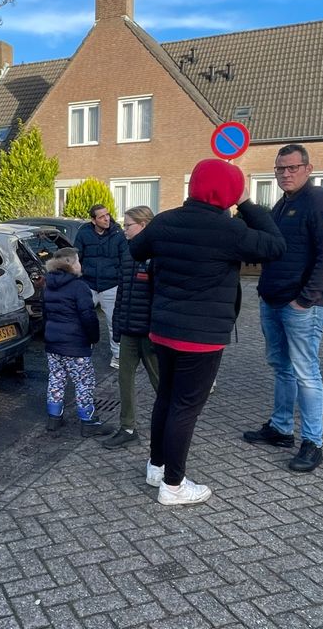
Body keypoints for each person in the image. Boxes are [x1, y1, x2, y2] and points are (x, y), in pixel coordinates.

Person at [131, 159, 284, 505]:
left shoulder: (165, 221)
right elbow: (276, 246)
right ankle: (173, 486)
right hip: (201, 336)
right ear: (229, 191)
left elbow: (136, 250)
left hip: (164, 328)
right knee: (185, 407)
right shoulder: (231, 231)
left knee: (166, 398)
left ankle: (157, 466)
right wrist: (246, 203)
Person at [244, 144, 323, 473]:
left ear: (308, 169)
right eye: (280, 168)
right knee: (282, 367)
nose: (285, 174)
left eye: (292, 168)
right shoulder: (282, 204)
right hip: (273, 300)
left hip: (303, 305)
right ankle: (281, 428)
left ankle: (313, 443)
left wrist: (305, 299)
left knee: (306, 373)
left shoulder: (321, 202)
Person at [102, 206, 161, 450]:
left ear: (143, 225)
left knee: (160, 383)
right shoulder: (128, 253)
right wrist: (118, 326)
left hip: (149, 333)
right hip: (128, 330)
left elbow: (162, 297)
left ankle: (172, 426)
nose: (123, 229)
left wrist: (156, 330)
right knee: (124, 379)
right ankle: (127, 428)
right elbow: (122, 293)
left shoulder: (158, 253)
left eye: (128, 225)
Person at [41, 247, 113, 437]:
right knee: (84, 381)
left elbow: (45, 314)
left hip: (53, 342)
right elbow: (88, 316)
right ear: (71, 264)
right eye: (78, 261)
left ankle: (54, 418)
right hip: (75, 345)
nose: (80, 264)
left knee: (56, 378)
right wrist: (93, 338)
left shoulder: (48, 284)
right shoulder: (79, 287)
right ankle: (88, 421)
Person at [74, 204, 127, 368]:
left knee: (114, 323)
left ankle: (117, 356)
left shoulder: (118, 234)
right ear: (93, 220)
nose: (106, 219)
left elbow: (125, 259)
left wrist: (119, 278)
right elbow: (77, 257)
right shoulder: (83, 233)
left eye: (107, 215)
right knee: (83, 321)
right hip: (88, 285)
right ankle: (82, 353)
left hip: (111, 286)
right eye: (102, 216)